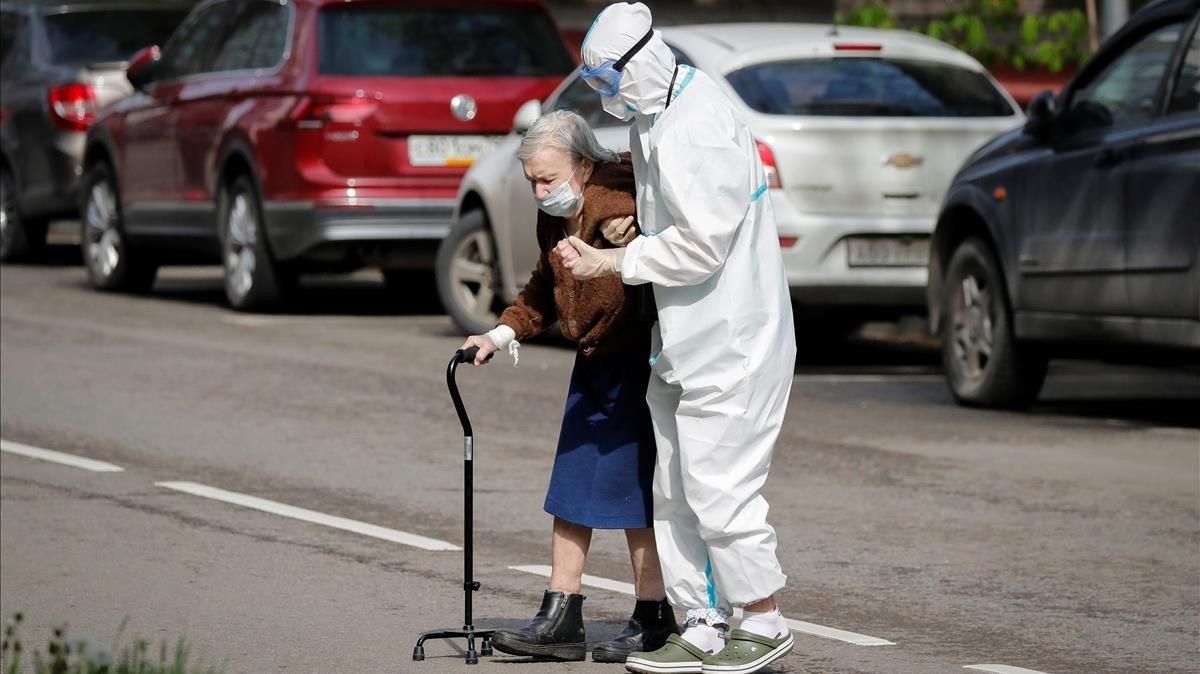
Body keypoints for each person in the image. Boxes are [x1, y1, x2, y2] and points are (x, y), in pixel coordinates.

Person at [557, 4, 798, 674]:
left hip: (736, 338)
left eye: (610, 80)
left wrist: (617, 262)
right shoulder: (657, 118)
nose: (609, 95)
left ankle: (763, 616)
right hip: (687, 338)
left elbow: (702, 246)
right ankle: (702, 621)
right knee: (677, 488)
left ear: (643, 59)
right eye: (598, 83)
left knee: (721, 485)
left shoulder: (699, 125)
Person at [460, 109, 679, 664]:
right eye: (531, 179)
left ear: (583, 166)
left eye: (549, 178)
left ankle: (655, 615)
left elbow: (639, 231)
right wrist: (500, 332)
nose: (540, 189)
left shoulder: (613, 203)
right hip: (597, 359)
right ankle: (562, 612)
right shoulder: (555, 215)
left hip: (638, 360)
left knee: (635, 490)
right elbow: (543, 285)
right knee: (573, 484)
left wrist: (621, 239)